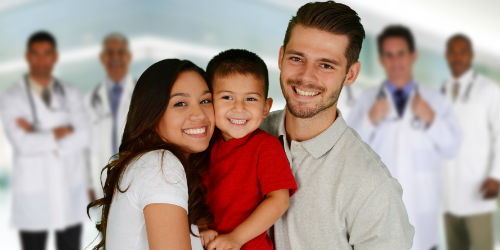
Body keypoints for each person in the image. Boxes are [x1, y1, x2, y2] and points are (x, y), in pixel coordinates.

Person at [260, 2, 414, 249]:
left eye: (326, 65)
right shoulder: (246, 133)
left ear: (351, 74)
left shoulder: (372, 186)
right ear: (281, 57)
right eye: (297, 58)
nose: (306, 76)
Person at [347, 25, 461, 250]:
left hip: (422, 203)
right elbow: (350, 148)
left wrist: (431, 118)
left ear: (413, 56)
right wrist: (370, 119)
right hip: (379, 203)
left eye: (401, 54)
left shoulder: (435, 101)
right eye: (389, 55)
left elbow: (453, 148)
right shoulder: (368, 100)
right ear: (381, 60)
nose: (395, 61)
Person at [88, 59, 215, 250]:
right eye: (180, 103)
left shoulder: (148, 163)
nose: (199, 114)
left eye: (205, 101)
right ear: (152, 113)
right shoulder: (161, 163)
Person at [0, 31, 91, 250]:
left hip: (69, 190)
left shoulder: (71, 93)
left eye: (47, 53)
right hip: (34, 195)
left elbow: (84, 135)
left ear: (55, 57)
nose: (42, 60)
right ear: (27, 57)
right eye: (36, 54)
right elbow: (22, 143)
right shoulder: (12, 97)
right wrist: (60, 131)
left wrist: (36, 131)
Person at [199, 49, 297, 250]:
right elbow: (194, 194)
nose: (239, 108)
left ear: (265, 107)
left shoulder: (265, 147)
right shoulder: (202, 146)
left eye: (250, 99)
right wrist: (199, 226)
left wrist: (236, 238)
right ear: (209, 102)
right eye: (227, 97)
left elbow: (279, 201)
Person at [441, 34, 500, 250]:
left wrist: (496, 176)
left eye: (462, 51)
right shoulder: (443, 89)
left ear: (471, 55)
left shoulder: (489, 90)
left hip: (478, 190)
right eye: (453, 52)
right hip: (449, 192)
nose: (457, 57)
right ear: (447, 56)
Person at [86, 32, 135, 199]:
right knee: (105, 224)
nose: (115, 58)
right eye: (110, 53)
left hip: (134, 179)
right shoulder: (90, 100)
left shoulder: (141, 94)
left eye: (120, 52)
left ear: (128, 57)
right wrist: (88, 183)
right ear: (102, 58)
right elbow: (84, 148)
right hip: (101, 182)